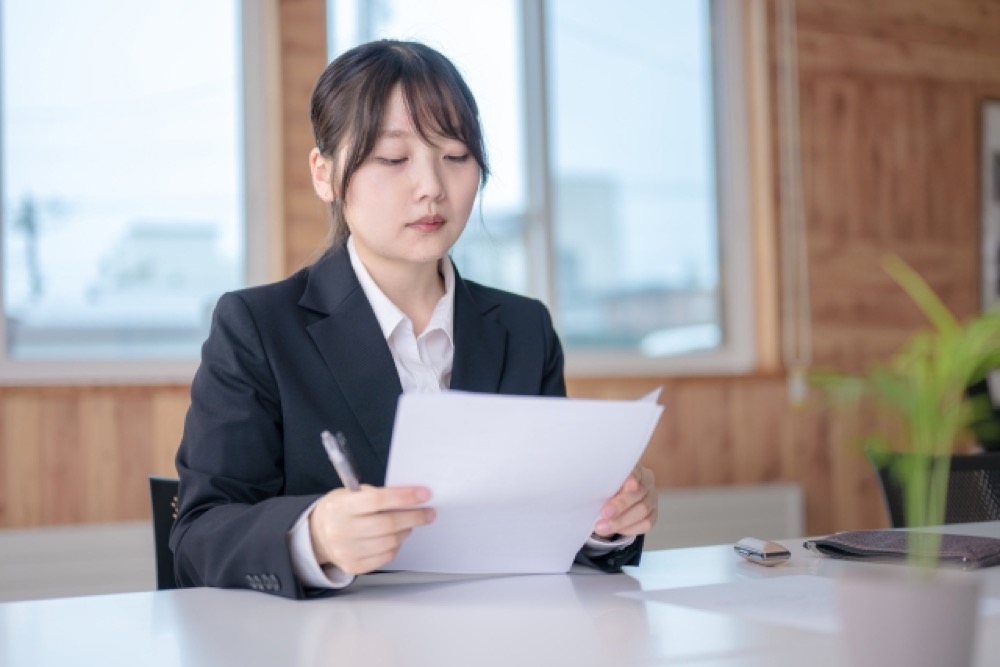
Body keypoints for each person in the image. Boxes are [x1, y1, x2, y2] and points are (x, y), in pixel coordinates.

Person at [170, 39, 657, 600]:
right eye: (394, 159)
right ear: (324, 174)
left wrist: (606, 521)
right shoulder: (257, 327)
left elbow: (547, 528)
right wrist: (315, 538)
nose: (431, 187)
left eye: (455, 156)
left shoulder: (524, 330)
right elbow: (198, 537)